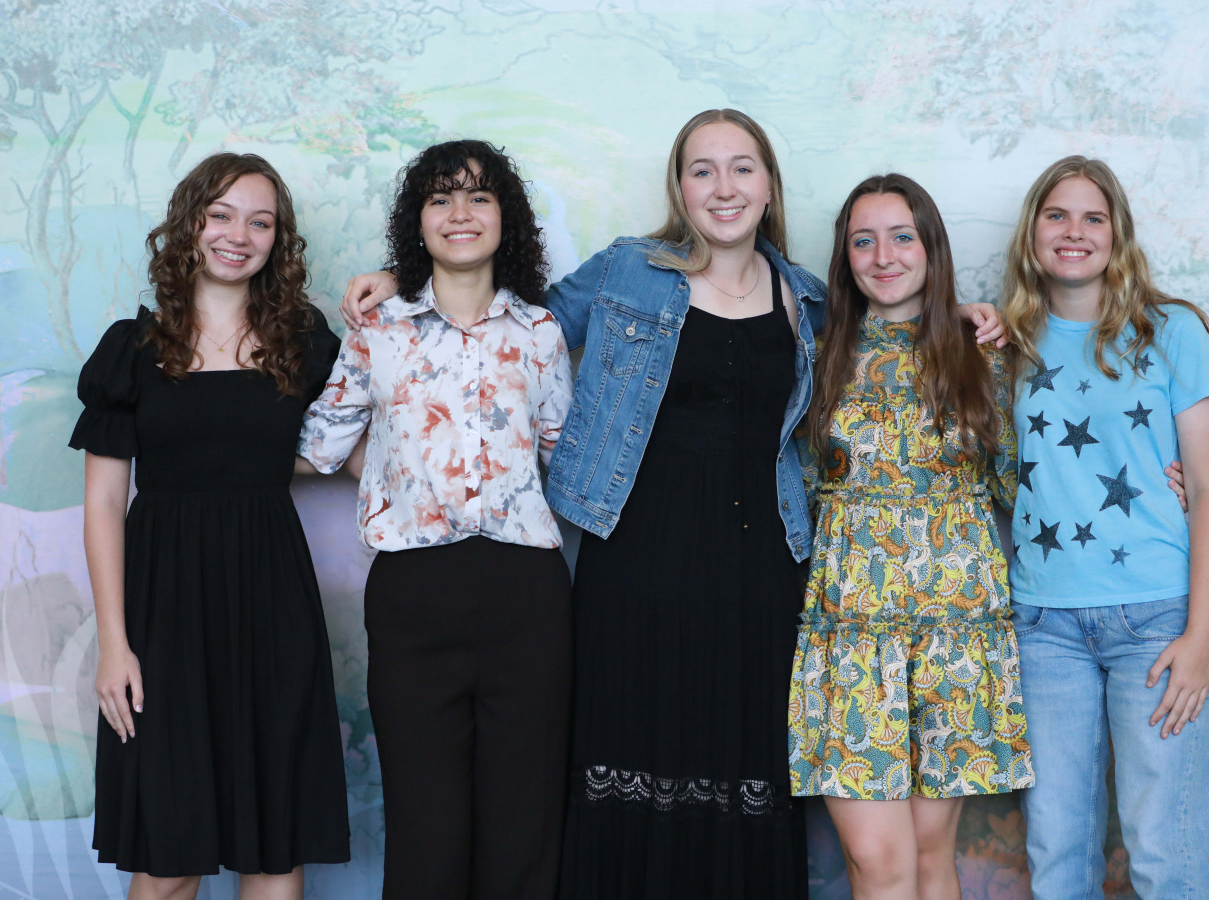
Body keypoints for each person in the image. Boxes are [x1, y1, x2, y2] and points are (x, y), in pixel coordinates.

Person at [338, 111, 1005, 899]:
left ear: (769, 185)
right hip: (636, 568)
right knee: (630, 774)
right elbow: (503, 317)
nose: (724, 187)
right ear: (679, 188)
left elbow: (891, 323)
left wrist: (964, 316)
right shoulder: (628, 270)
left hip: (760, 577)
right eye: (702, 169)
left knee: (741, 780)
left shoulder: (808, 299)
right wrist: (405, 280)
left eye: (742, 168)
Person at [298, 139, 574, 900]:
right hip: (414, 594)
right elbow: (318, 446)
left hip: (527, 593)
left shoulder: (540, 332)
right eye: (440, 197)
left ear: (504, 217)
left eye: (479, 196)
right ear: (417, 220)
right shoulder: (377, 329)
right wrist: (393, 471)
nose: (460, 213)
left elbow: (564, 461)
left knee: (524, 823)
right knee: (427, 825)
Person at [72, 152, 350, 900]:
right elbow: (103, 504)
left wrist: (389, 295)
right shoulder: (131, 350)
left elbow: (347, 450)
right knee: (169, 861)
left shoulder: (306, 341)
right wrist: (115, 645)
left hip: (273, 604)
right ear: (190, 223)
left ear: (278, 240)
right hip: (164, 613)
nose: (239, 235)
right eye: (221, 215)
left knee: (274, 851)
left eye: (260, 222)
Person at [789, 174, 1033, 900]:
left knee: (930, 858)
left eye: (902, 237)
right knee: (877, 861)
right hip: (852, 637)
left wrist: (1166, 479)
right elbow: (791, 489)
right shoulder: (815, 357)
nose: (883, 256)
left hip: (955, 634)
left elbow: (1026, 485)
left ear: (931, 248)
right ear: (845, 257)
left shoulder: (981, 353)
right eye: (863, 241)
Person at [1001, 156, 1209, 899]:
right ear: (1032, 232)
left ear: (1117, 234)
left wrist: (1200, 639)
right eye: (1057, 216)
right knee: (1057, 850)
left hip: (1156, 623)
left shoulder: (1171, 331)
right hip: (1044, 626)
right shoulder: (1007, 343)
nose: (1074, 232)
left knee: (1165, 851)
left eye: (1092, 217)